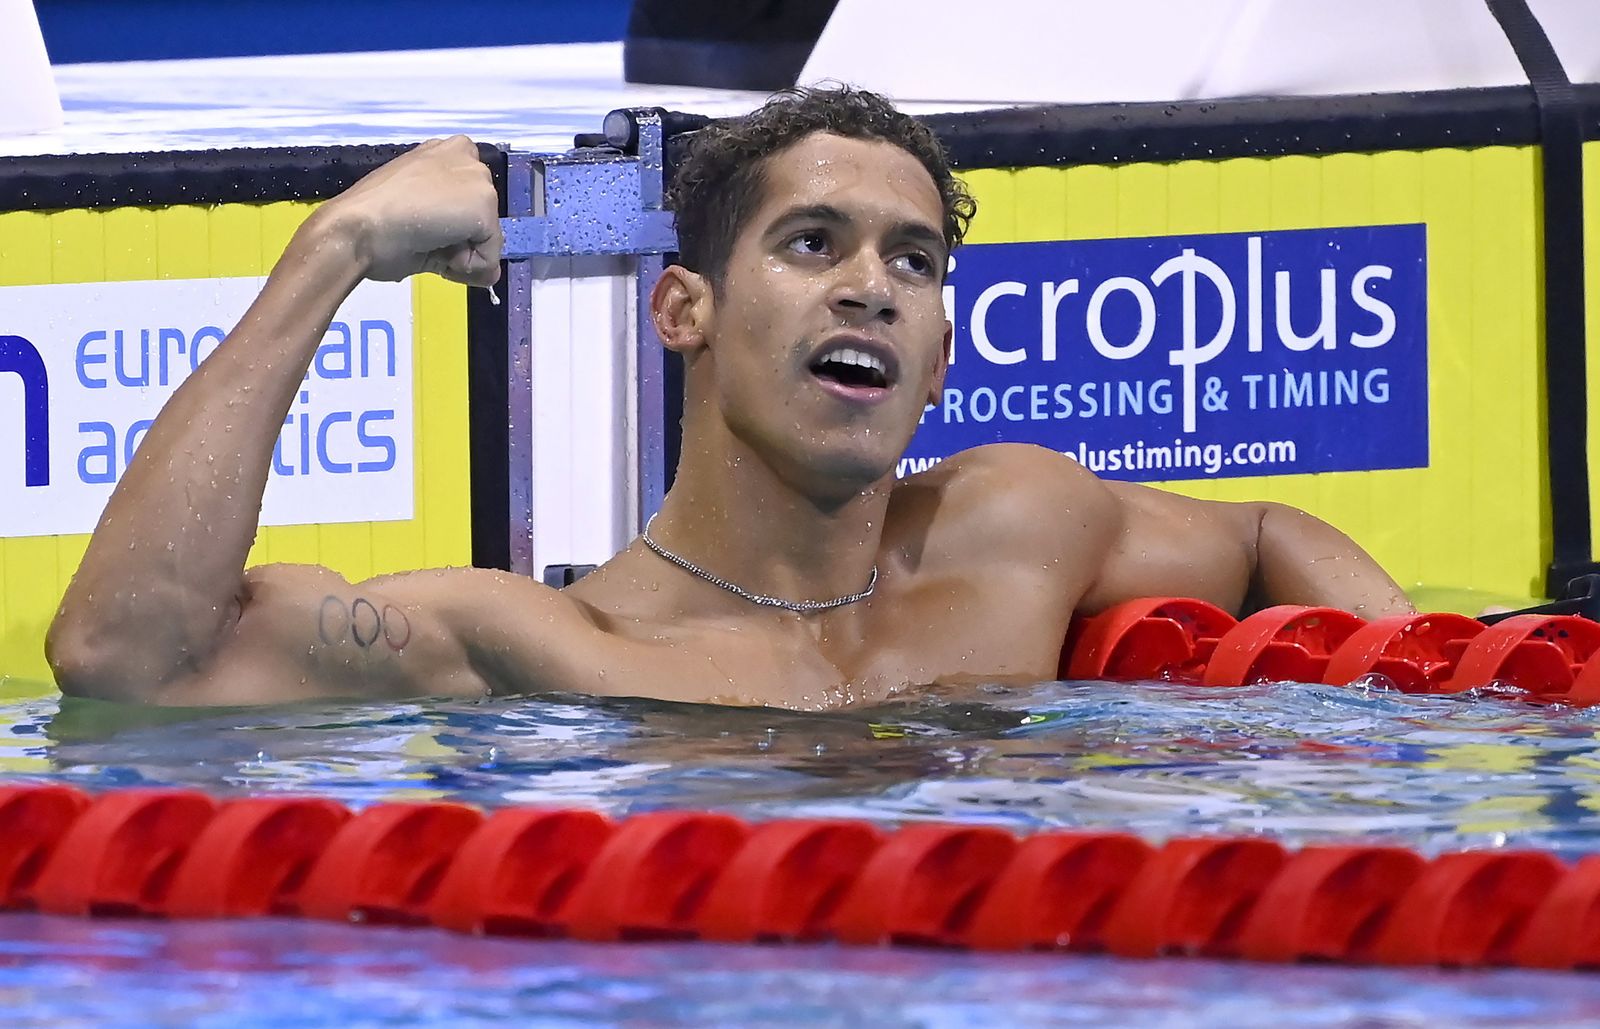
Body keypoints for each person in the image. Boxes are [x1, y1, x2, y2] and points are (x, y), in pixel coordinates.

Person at [45, 88, 1413, 709]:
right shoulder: (537, 642)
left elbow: (1264, 534)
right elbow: (125, 659)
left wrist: (1413, 688)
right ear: (682, 309)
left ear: (938, 355)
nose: (870, 287)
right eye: (812, 243)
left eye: (913, 260)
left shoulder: (1015, 530)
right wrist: (331, 249)